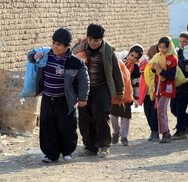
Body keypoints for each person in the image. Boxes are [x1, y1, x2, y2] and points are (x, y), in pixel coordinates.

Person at [27, 27, 90, 163]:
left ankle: (67, 150)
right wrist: (34, 56)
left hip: (65, 101)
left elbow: (84, 81)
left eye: (59, 44)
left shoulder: (75, 62)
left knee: (67, 126)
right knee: (47, 126)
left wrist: (82, 98)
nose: (55, 46)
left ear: (67, 46)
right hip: (47, 99)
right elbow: (30, 55)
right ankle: (51, 154)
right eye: (53, 43)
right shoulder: (45, 55)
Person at [73, 24, 124, 157]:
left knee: (101, 115)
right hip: (84, 89)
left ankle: (104, 146)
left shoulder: (108, 51)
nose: (93, 43)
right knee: (85, 117)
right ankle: (90, 146)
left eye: (96, 40)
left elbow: (116, 72)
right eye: (90, 40)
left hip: (102, 87)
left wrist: (120, 91)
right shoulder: (81, 49)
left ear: (101, 39)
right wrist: (75, 51)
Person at [145, 36, 178, 143]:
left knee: (160, 108)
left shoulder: (173, 59)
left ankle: (166, 133)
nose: (162, 49)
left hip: (167, 88)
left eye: (164, 47)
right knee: (160, 110)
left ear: (168, 48)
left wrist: (160, 70)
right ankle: (164, 133)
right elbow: (155, 73)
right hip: (158, 88)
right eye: (160, 47)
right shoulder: (158, 57)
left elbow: (171, 76)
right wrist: (154, 69)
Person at [110, 45, 143, 146]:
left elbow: (137, 84)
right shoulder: (118, 62)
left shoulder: (136, 69)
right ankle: (116, 132)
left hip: (128, 95)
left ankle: (124, 137)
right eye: (131, 55)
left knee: (125, 117)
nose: (132, 58)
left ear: (138, 60)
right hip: (115, 94)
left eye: (135, 57)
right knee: (113, 116)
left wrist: (136, 98)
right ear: (129, 53)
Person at [170, 32, 188, 140]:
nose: (182, 44)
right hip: (175, 87)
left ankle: (181, 130)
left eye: (184, 41)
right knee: (173, 109)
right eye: (180, 41)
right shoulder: (177, 53)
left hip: (186, 86)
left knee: (180, 109)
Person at [138, 45, 159, 142]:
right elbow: (141, 71)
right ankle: (152, 130)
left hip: (155, 93)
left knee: (155, 114)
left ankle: (156, 132)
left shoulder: (159, 63)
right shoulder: (145, 62)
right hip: (146, 94)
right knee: (148, 113)